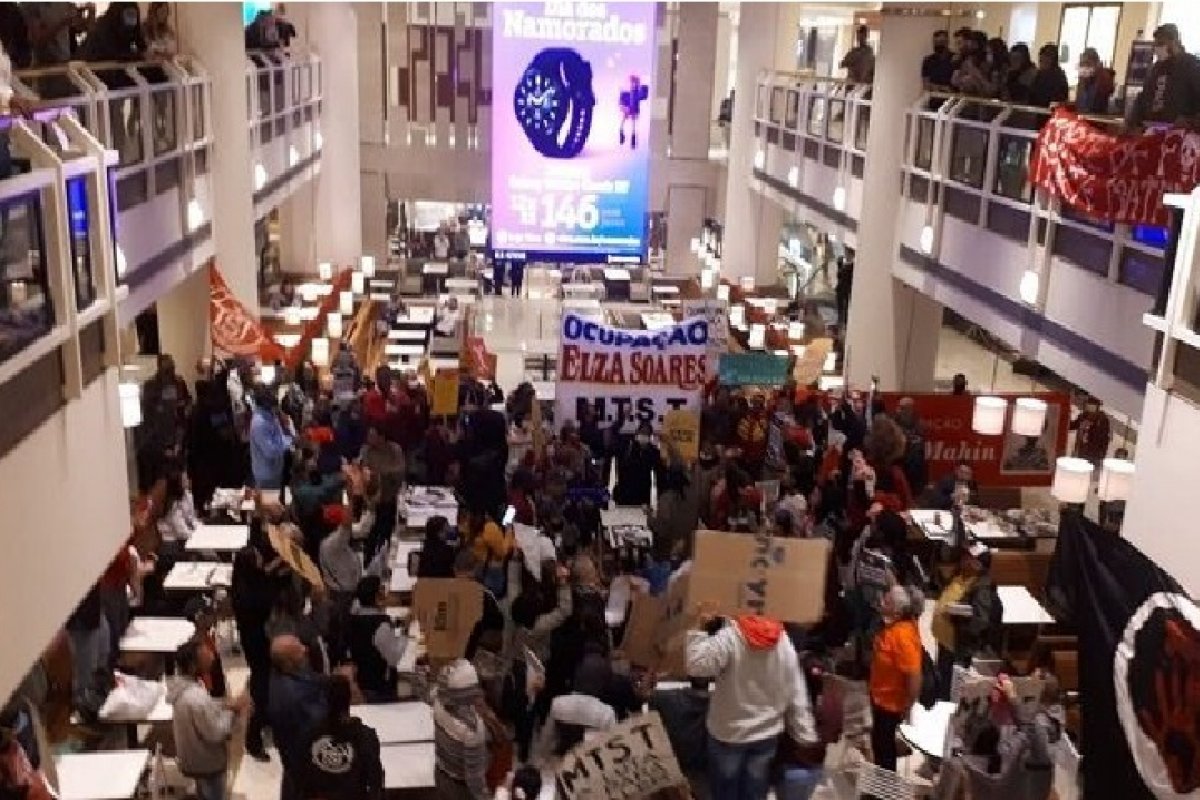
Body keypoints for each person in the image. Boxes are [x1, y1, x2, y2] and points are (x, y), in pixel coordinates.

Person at [686, 605, 817, 799]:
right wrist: (805, 734)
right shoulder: (782, 641)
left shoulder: (730, 637)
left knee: (725, 790)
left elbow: (697, 667)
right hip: (766, 734)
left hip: (728, 734)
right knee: (755, 791)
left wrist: (698, 630)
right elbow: (795, 688)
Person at [168, 640, 250, 800]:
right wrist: (234, 711)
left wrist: (223, 704)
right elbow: (215, 733)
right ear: (193, 665)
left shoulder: (182, 687)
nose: (212, 657)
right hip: (206, 762)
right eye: (206, 656)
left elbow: (205, 710)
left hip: (192, 756)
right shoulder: (196, 697)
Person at [932, 543, 1002, 697]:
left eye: (969, 558)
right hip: (945, 641)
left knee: (949, 687)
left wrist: (959, 621)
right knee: (941, 675)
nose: (964, 559)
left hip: (957, 645)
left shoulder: (981, 588)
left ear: (978, 565)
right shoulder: (961, 574)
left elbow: (980, 621)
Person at [298, 675, 384, 800]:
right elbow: (375, 782)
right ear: (350, 699)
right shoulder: (365, 736)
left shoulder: (309, 733)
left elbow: (301, 779)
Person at [868, 584, 925, 771]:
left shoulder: (903, 635)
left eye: (888, 601)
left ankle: (884, 791)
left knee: (884, 750)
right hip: (880, 699)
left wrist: (907, 707)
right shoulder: (893, 628)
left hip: (891, 705)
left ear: (898, 609)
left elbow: (914, 676)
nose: (883, 602)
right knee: (880, 745)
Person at [269, 634, 332, 800]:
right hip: (305, 765)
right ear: (289, 662)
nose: (305, 649)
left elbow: (309, 679)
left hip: (292, 762)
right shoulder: (296, 695)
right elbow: (322, 724)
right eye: (299, 650)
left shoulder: (280, 675)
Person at [432, 659, 489, 800]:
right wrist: (484, 796)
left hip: (441, 772)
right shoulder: (472, 729)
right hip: (460, 787)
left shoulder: (438, 702)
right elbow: (473, 776)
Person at [1126, 24, 1200, 132]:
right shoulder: (1156, 68)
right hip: (1153, 130)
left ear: (1174, 41)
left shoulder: (1191, 65)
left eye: (1161, 44)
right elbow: (1143, 97)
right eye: (1155, 45)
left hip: (1181, 134)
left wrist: (1191, 121)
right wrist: (1132, 120)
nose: (1157, 49)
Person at [347, 576, 408, 702]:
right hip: (379, 687)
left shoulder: (352, 619)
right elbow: (394, 658)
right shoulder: (380, 625)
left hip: (359, 682)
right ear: (377, 596)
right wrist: (404, 633)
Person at [250, 387, 294, 490]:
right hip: (266, 475)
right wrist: (291, 443)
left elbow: (278, 437)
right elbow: (270, 451)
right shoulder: (260, 423)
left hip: (275, 470)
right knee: (269, 503)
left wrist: (289, 437)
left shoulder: (270, 415)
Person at [613, 421, 661, 506]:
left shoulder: (654, 452)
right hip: (625, 494)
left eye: (647, 433)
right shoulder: (628, 448)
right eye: (642, 432)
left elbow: (659, 475)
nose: (644, 435)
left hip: (643, 496)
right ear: (637, 433)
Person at [1070, 395, 1111, 467]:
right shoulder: (1083, 416)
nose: (1089, 407)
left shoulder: (1102, 420)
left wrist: (1102, 454)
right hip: (1082, 449)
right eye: (1088, 404)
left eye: (1092, 405)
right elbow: (1073, 425)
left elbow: (1105, 438)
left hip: (1094, 452)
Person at [1075, 47, 1114, 114]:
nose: (1085, 67)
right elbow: (1080, 102)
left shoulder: (1103, 78)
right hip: (1082, 116)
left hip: (1096, 118)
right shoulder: (1083, 78)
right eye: (1082, 64)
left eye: (1088, 64)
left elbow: (1095, 103)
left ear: (1096, 63)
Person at [1029, 43, 1069, 108]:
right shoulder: (1038, 75)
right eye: (1041, 60)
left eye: (1047, 57)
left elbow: (1058, 98)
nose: (1043, 61)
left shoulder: (1058, 77)